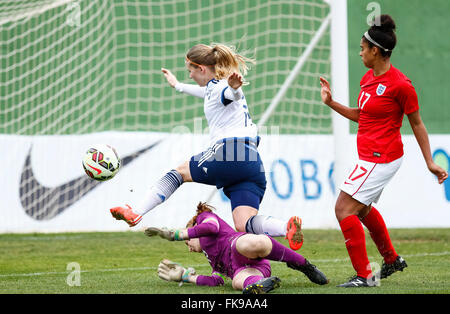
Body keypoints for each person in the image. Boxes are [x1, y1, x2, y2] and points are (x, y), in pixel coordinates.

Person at [110, 43, 303, 250]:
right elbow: (207, 92)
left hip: (229, 152)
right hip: (251, 162)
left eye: (190, 71)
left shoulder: (222, 88)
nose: (190, 76)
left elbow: (230, 95)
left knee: (179, 172)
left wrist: (235, 89)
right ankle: (286, 228)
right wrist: (178, 86)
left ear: (201, 69)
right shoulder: (213, 88)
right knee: (243, 223)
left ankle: (136, 212)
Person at [319, 14, 448, 287]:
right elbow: (362, 115)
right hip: (370, 156)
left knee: (343, 209)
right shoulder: (368, 78)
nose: (360, 52)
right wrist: (331, 103)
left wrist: (429, 162)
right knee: (361, 209)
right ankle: (391, 259)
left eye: (363, 48)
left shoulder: (401, 85)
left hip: (382, 157)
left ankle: (366, 275)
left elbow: (418, 124)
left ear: (375, 51)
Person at [145, 202, 328, 294]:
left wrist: (176, 235)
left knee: (252, 243)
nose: (189, 248)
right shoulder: (213, 260)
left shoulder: (204, 218)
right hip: (253, 269)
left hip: (240, 245)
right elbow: (216, 281)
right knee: (236, 282)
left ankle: (303, 264)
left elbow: (211, 228)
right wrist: (186, 276)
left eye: (188, 244)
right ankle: (258, 285)